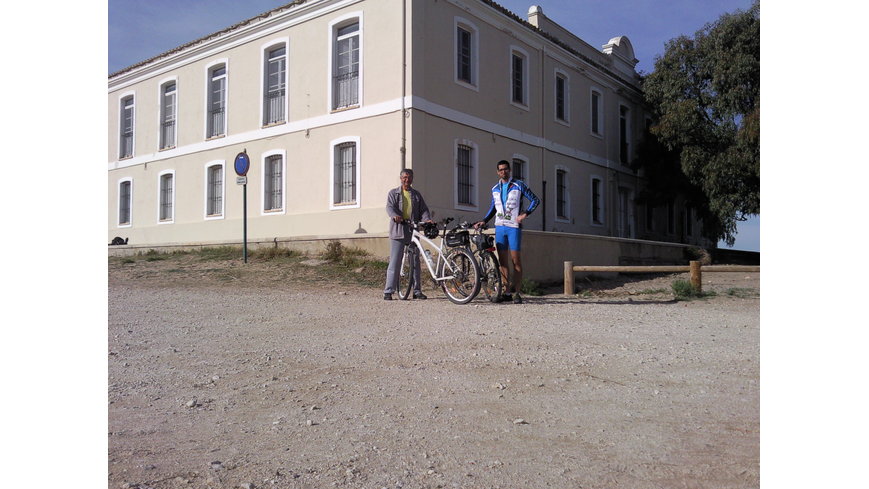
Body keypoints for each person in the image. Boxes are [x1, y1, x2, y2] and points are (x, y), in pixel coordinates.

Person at [474, 159, 540, 304]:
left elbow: (535, 200)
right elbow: (493, 207)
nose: (503, 171)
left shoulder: (519, 185)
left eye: (506, 169)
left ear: (509, 170)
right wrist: (484, 220)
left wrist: (525, 214)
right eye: (501, 169)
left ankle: (516, 292)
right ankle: (506, 291)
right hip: (500, 227)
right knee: (503, 262)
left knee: (515, 260)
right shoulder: (495, 188)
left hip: (513, 227)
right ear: (497, 172)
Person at [384, 168, 432, 300]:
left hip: (413, 230)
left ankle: (417, 291)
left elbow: (423, 209)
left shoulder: (416, 195)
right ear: (401, 178)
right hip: (398, 229)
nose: (407, 180)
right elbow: (390, 207)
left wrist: (426, 219)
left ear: (412, 179)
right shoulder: (394, 193)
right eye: (405, 177)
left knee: (415, 262)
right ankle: (388, 291)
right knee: (395, 261)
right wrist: (395, 216)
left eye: (409, 177)